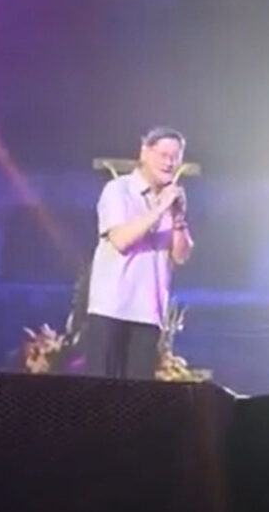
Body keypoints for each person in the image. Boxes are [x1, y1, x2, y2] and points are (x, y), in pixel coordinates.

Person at [83, 126, 194, 379]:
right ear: (144, 152)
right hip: (112, 309)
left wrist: (178, 218)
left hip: (149, 314)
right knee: (101, 389)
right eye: (163, 155)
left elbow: (181, 256)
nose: (169, 163)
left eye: (175, 157)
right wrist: (159, 209)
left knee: (138, 395)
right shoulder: (118, 190)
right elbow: (121, 240)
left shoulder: (171, 200)